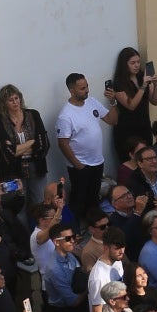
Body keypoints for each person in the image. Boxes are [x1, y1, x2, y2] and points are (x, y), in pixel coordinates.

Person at [56, 73, 117, 229]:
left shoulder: (92, 102)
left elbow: (112, 120)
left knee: (93, 199)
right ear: (72, 90)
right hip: (80, 165)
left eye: (87, 86)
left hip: (97, 162)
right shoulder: (66, 115)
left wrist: (112, 102)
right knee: (78, 201)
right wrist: (78, 165)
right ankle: (73, 231)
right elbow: (63, 143)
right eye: (82, 88)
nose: (87, 90)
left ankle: (95, 229)